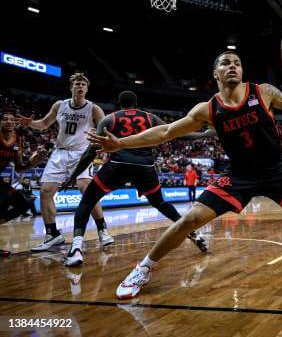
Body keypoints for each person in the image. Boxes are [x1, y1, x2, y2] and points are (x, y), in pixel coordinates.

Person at [89, 51, 282, 299]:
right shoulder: (207, 109)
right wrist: (120, 143)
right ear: (216, 74)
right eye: (225, 63)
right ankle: (143, 268)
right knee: (190, 221)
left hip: (276, 169)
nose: (232, 66)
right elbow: (166, 132)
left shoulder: (262, 92)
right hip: (239, 175)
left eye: (236, 62)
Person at [62, 91, 209, 267]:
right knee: (161, 203)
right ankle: (192, 233)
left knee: (87, 202)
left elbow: (90, 152)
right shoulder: (150, 118)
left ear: (118, 103)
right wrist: (204, 134)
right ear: (137, 103)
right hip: (145, 168)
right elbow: (176, 134)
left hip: (118, 165)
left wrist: (73, 175)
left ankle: (76, 249)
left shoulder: (109, 119)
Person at [17, 73, 115, 251]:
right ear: (71, 87)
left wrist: (103, 146)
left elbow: (104, 130)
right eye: (77, 84)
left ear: (87, 89)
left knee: (86, 188)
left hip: (81, 152)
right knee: (45, 192)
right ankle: (52, 234)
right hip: (60, 152)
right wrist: (30, 123)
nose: (80, 87)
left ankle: (102, 230)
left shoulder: (93, 109)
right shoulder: (60, 105)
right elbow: (44, 124)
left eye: (83, 85)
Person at [0, 112, 48, 256]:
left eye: (12, 120)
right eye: (5, 119)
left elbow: (20, 167)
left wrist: (36, 161)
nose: (9, 122)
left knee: (23, 204)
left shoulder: (17, 140)